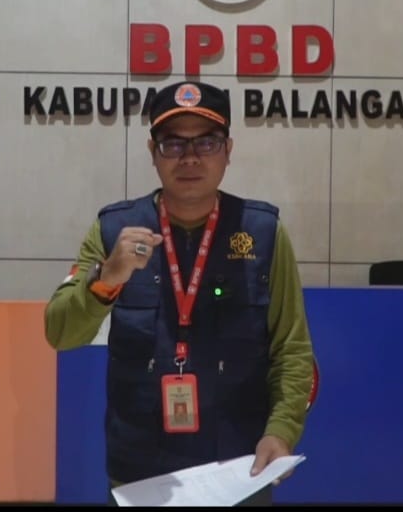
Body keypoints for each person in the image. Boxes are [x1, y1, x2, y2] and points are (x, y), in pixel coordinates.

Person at [43, 80, 316, 506]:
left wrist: (281, 432)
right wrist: (106, 278)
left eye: (207, 142)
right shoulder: (114, 230)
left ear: (228, 150)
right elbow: (60, 332)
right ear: (153, 152)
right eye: (173, 144)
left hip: (239, 470)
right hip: (140, 475)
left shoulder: (262, 233)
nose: (190, 157)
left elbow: (292, 350)